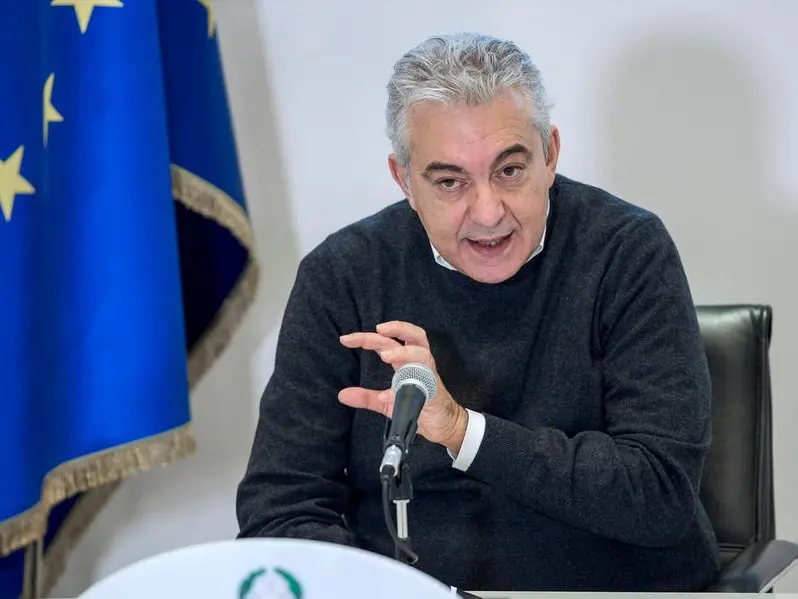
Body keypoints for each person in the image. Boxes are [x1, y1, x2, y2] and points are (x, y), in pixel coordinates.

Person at [236, 32, 721, 592]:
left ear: (550, 155)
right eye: (450, 181)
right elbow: (281, 509)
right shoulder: (343, 276)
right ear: (404, 180)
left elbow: (659, 495)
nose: (488, 213)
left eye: (509, 171)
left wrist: (465, 433)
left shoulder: (627, 251)